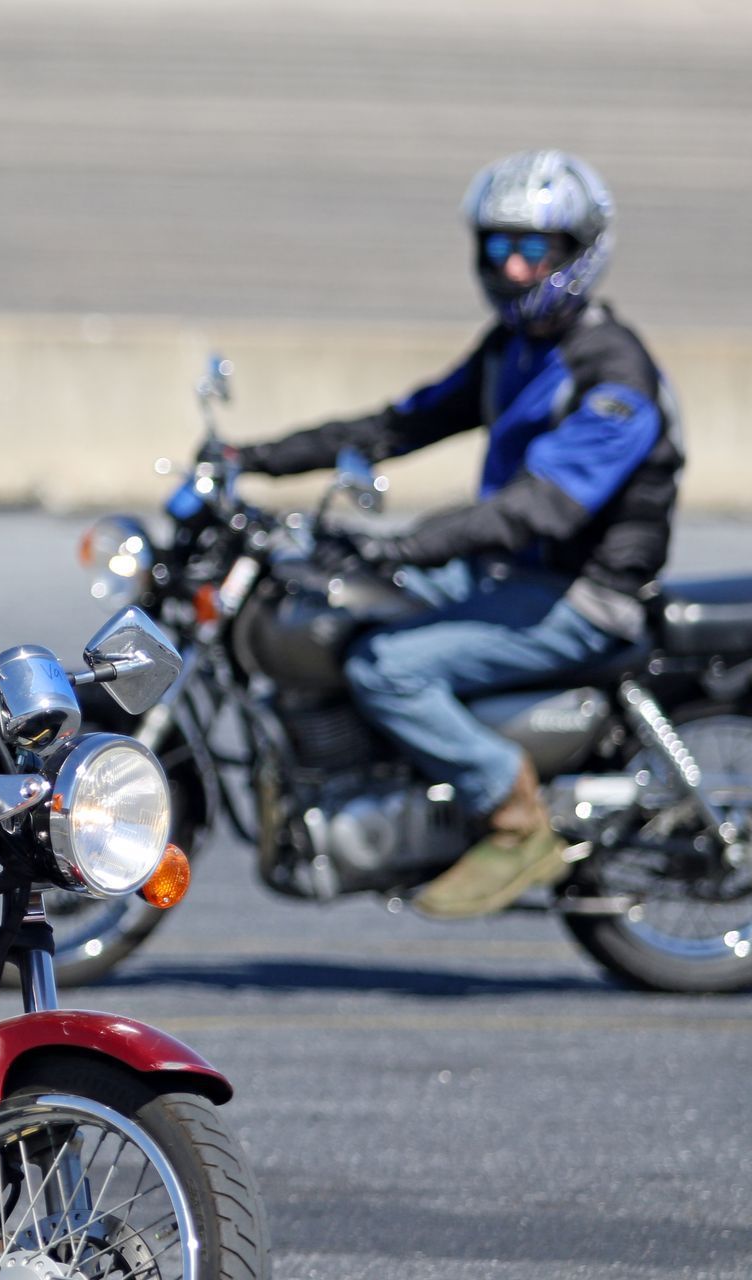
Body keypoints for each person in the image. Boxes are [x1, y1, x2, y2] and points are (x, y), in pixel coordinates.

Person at [233, 150, 683, 920]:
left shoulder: (613, 376)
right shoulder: (514, 349)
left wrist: (407, 543)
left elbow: (540, 510)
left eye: (531, 250)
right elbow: (401, 423)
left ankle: (513, 813)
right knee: (344, 602)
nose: (510, 269)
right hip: (512, 571)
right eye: (496, 248)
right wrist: (257, 459)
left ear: (577, 252)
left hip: (584, 594)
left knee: (387, 666)